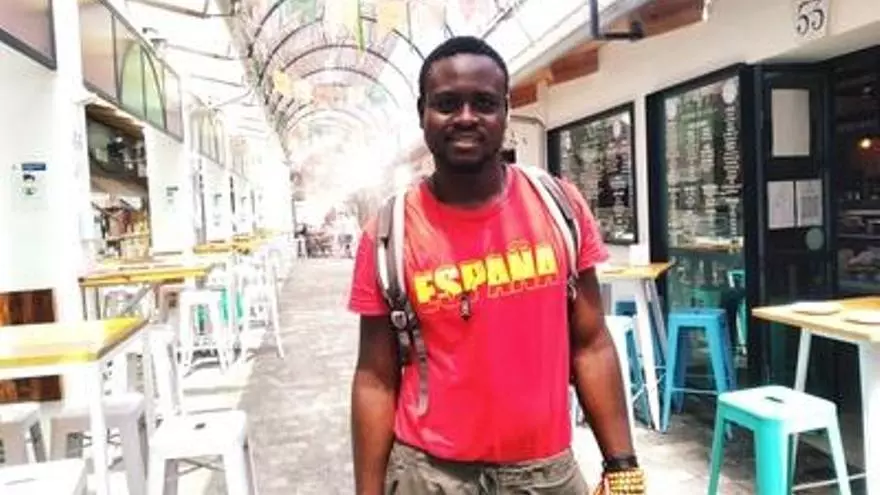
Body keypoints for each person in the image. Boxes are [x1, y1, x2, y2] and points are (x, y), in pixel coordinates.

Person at [348, 36, 644, 494]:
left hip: (546, 475)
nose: (466, 117)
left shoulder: (559, 207)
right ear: (423, 112)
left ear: (506, 111)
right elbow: (375, 378)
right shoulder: (389, 233)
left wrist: (623, 467)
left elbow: (591, 345)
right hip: (429, 476)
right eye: (447, 103)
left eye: (484, 103)